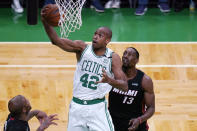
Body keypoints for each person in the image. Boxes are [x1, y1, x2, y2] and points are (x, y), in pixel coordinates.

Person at [41, 5, 128, 131]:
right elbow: (56, 41)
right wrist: (45, 22)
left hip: (97, 108)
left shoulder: (112, 58)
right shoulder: (82, 48)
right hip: (77, 107)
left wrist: (110, 81)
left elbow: (124, 86)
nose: (95, 36)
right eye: (95, 34)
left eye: (100, 35)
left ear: (107, 40)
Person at [108, 47, 155, 131]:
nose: (125, 56)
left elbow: (151, 107)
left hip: (134, 123)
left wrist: (140, 120)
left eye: (130, 55)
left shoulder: (144, 80)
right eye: (124, 53)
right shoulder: (112, 74)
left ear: (137, 60)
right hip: (112, 122)